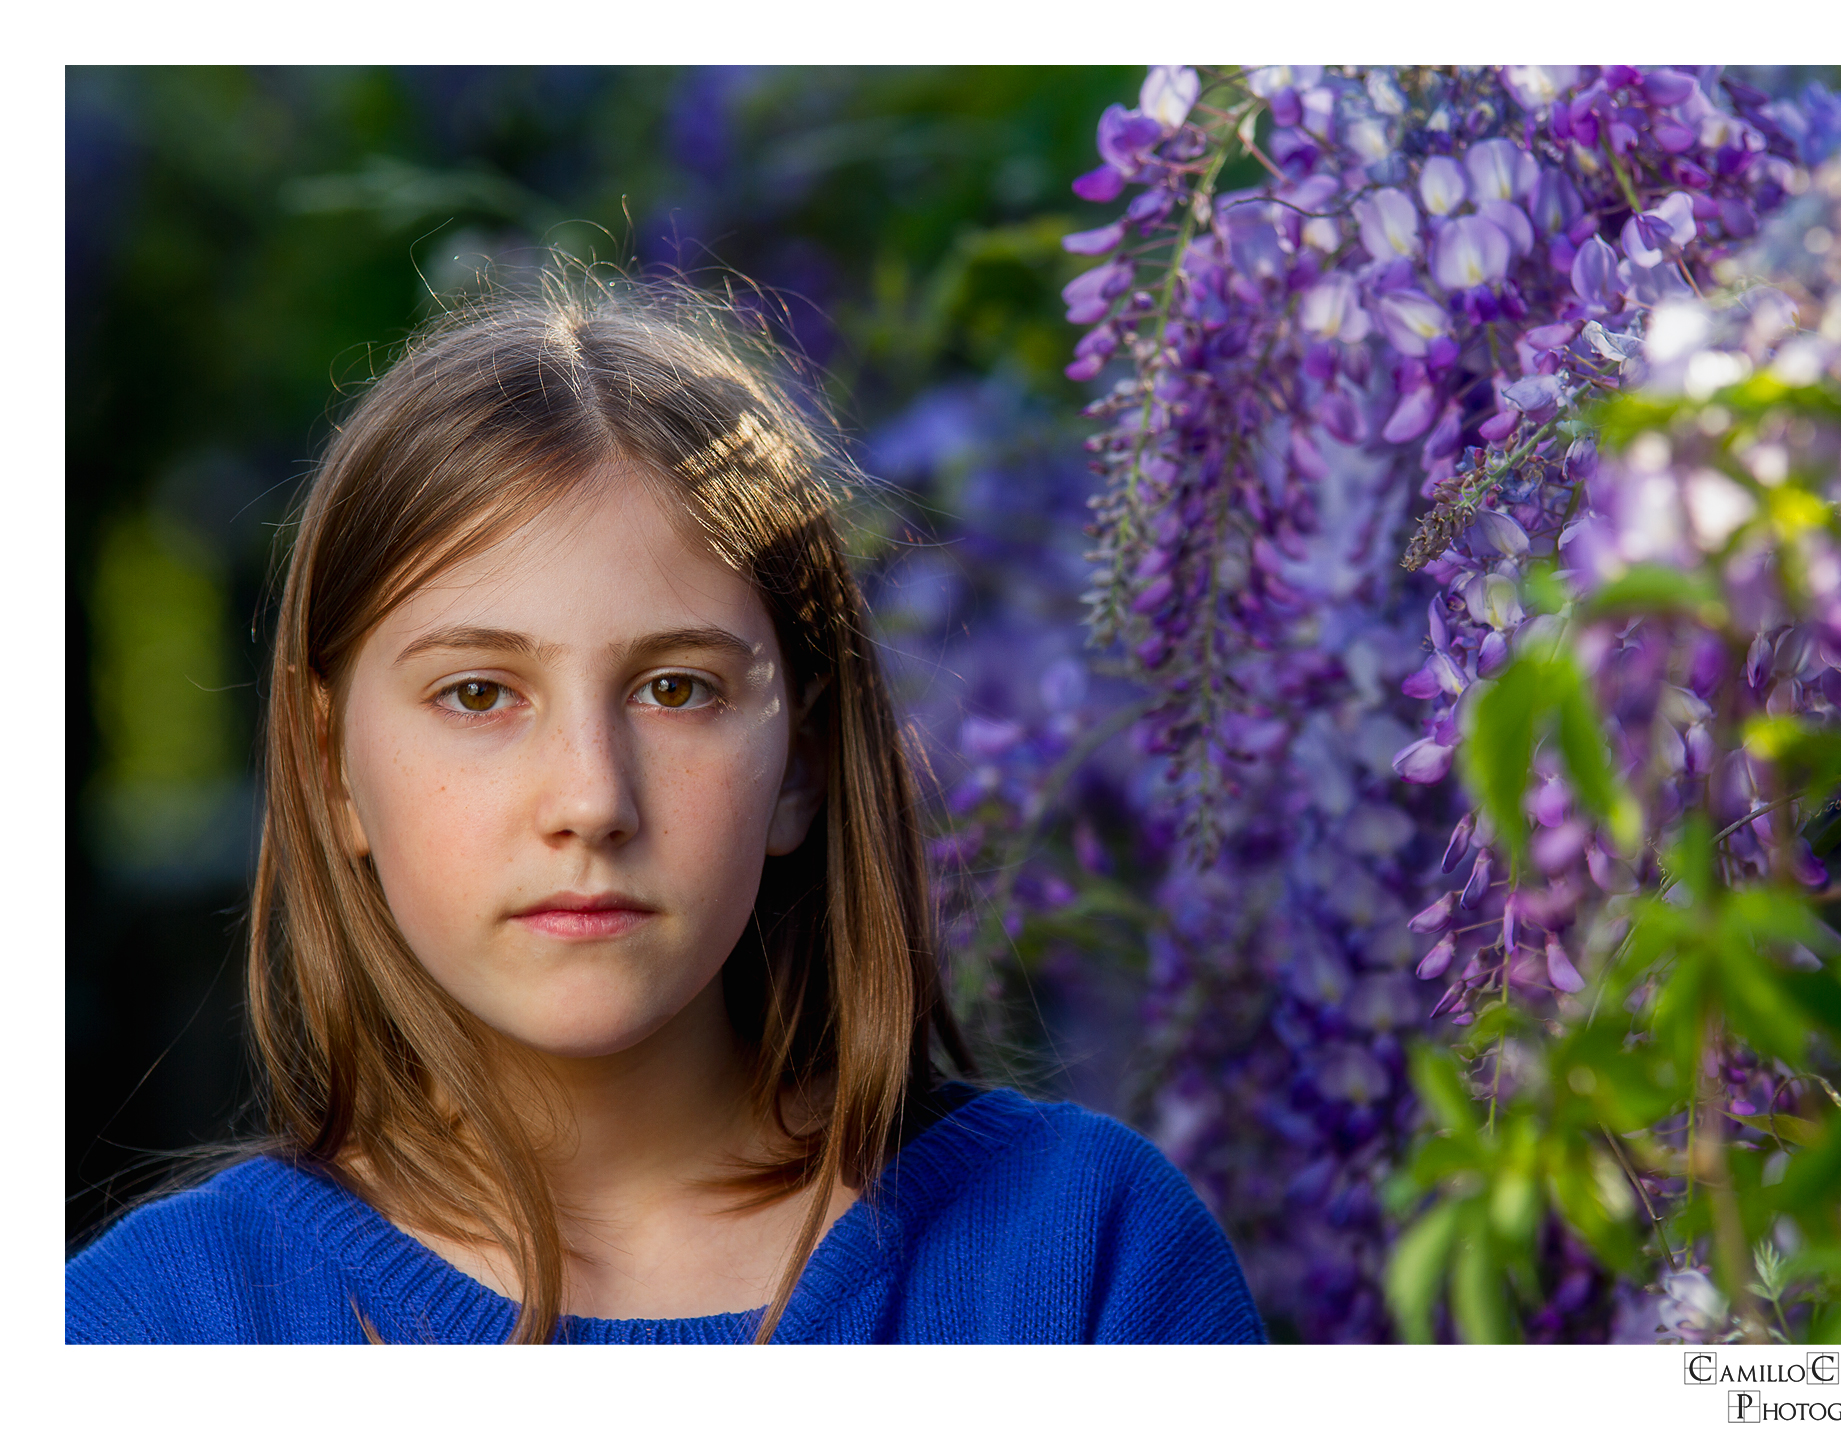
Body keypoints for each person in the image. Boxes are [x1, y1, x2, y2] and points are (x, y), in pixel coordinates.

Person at [65, 272, 1265, 1345]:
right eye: (478, 692)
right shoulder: (151, 1329)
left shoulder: (1093, 1264)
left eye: (676, 688)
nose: (590, 798)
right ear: (334, 772)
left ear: (798, 760)